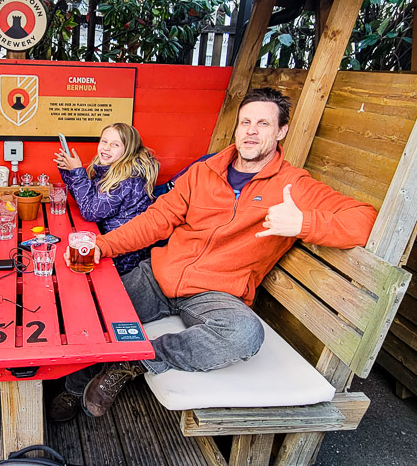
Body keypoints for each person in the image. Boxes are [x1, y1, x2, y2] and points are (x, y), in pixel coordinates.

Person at [48, 88, 378, 422]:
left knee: (245, 334)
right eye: (245, 121)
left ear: (281, 132)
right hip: (159, 275)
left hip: (216, 293)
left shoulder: (294, 186)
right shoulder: (203, 173)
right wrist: (101, 246)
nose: (250, 130)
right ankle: (75, 388)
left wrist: (305, 222)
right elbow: (154, 221)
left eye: (263, 123)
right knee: (92, 313)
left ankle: (132, 363)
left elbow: (364, 220)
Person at [54, 123, 159, 275]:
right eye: (104, 141)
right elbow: (86, 201)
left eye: (115, 144)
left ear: (128, 150)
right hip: (104, 240)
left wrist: (77, 172)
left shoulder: (128, 178)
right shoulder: (111, 169)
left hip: (122, 256)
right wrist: (69, 171)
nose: (106, 147)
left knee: (62, 262)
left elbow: (91, 212)